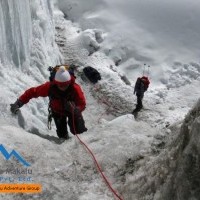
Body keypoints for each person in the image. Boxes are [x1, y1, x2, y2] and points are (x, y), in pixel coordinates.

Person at [10, 66, 87, 139]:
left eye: (65, 85)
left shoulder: (75, 88)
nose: (63, 88)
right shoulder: (50, 87)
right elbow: (32, 92)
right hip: (58, 112)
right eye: (60, 85)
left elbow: (82, 103)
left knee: (79, 131)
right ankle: (65, 139)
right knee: (62, 134)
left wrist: (76, 109)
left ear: (69, 82)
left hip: (72, 111)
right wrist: (19, 103)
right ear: (56, 83)